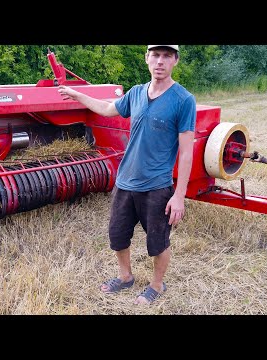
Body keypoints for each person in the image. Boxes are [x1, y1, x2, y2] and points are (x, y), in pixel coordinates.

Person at [58, 45, 196, 305]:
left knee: (158, 242)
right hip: (125, 181)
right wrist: (77, 95)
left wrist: (179, 196)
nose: (160, 61)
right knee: (117, 235)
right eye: (155, 55)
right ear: (147, 59)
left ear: (175, 61)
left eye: (167, 56)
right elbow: (108, 108)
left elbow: (187, 152)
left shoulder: (183, 100)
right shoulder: (136, 93)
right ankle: (125, 277)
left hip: (156, 186)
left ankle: (157, 285)